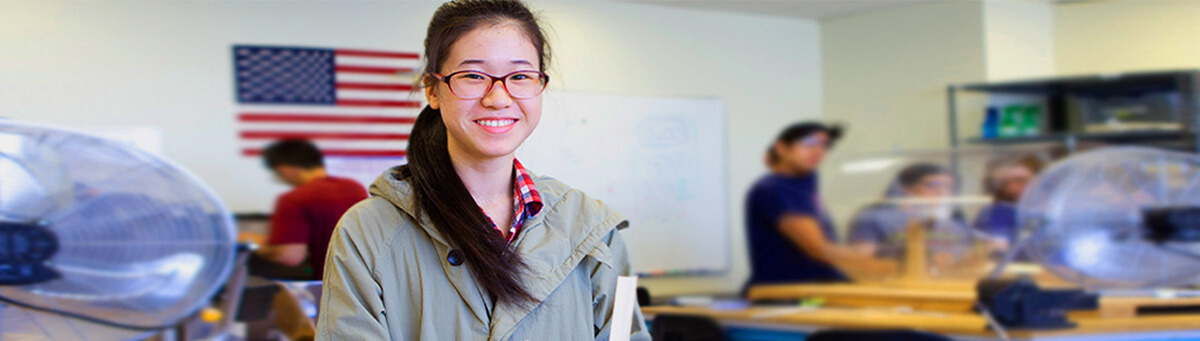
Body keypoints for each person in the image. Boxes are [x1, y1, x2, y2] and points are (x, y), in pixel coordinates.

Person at [317, 1, 648, 339]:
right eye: (474, 76)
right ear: (433, 89)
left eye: (520, 76)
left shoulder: (591, 227)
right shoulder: (368, 231)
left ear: (540, 86)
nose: (499, 97)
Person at [744, 122, 890, 289]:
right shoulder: (777, 187)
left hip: (819, 286)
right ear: (782, 147)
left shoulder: (803, 181)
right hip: (789, 294)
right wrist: (886, 266)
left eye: (825, 145)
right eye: (809, 142)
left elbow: (777, 162)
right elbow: (818, 248)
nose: (818, 151)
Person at [242, 139, 368, 280]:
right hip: (364, 283)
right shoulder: (355, 188)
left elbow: (289, 256)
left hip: (327, 287)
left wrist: (250, 244)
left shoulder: (293, 199)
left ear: (285, 170)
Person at [847, 163, 974, 260]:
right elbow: (861, 259)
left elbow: (971, 257)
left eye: (949, 187)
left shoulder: (956, 221)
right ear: (905, 187)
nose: (942, 192)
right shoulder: (875, 217)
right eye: (933, 185)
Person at [972, 156, 1037, 245]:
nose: (1013, 187)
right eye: (1004, 183)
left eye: (1021, 180)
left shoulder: (1049, 208)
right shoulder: (998, 212)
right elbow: (997, 248)